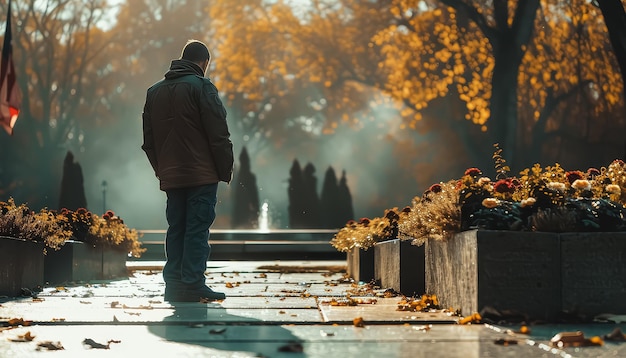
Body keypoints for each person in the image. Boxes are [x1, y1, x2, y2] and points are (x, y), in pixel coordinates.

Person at [142, 40, 233, 302]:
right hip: (201, 173)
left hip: (172, 174)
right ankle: (193, 284)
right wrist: (224, 169)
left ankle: (173, 285)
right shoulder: (203, 87)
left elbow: (148, 141)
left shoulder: (154, 92)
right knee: (197, 228)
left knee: (177, 227)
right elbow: (219, 133)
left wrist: (162, 170)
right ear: (204, 63)